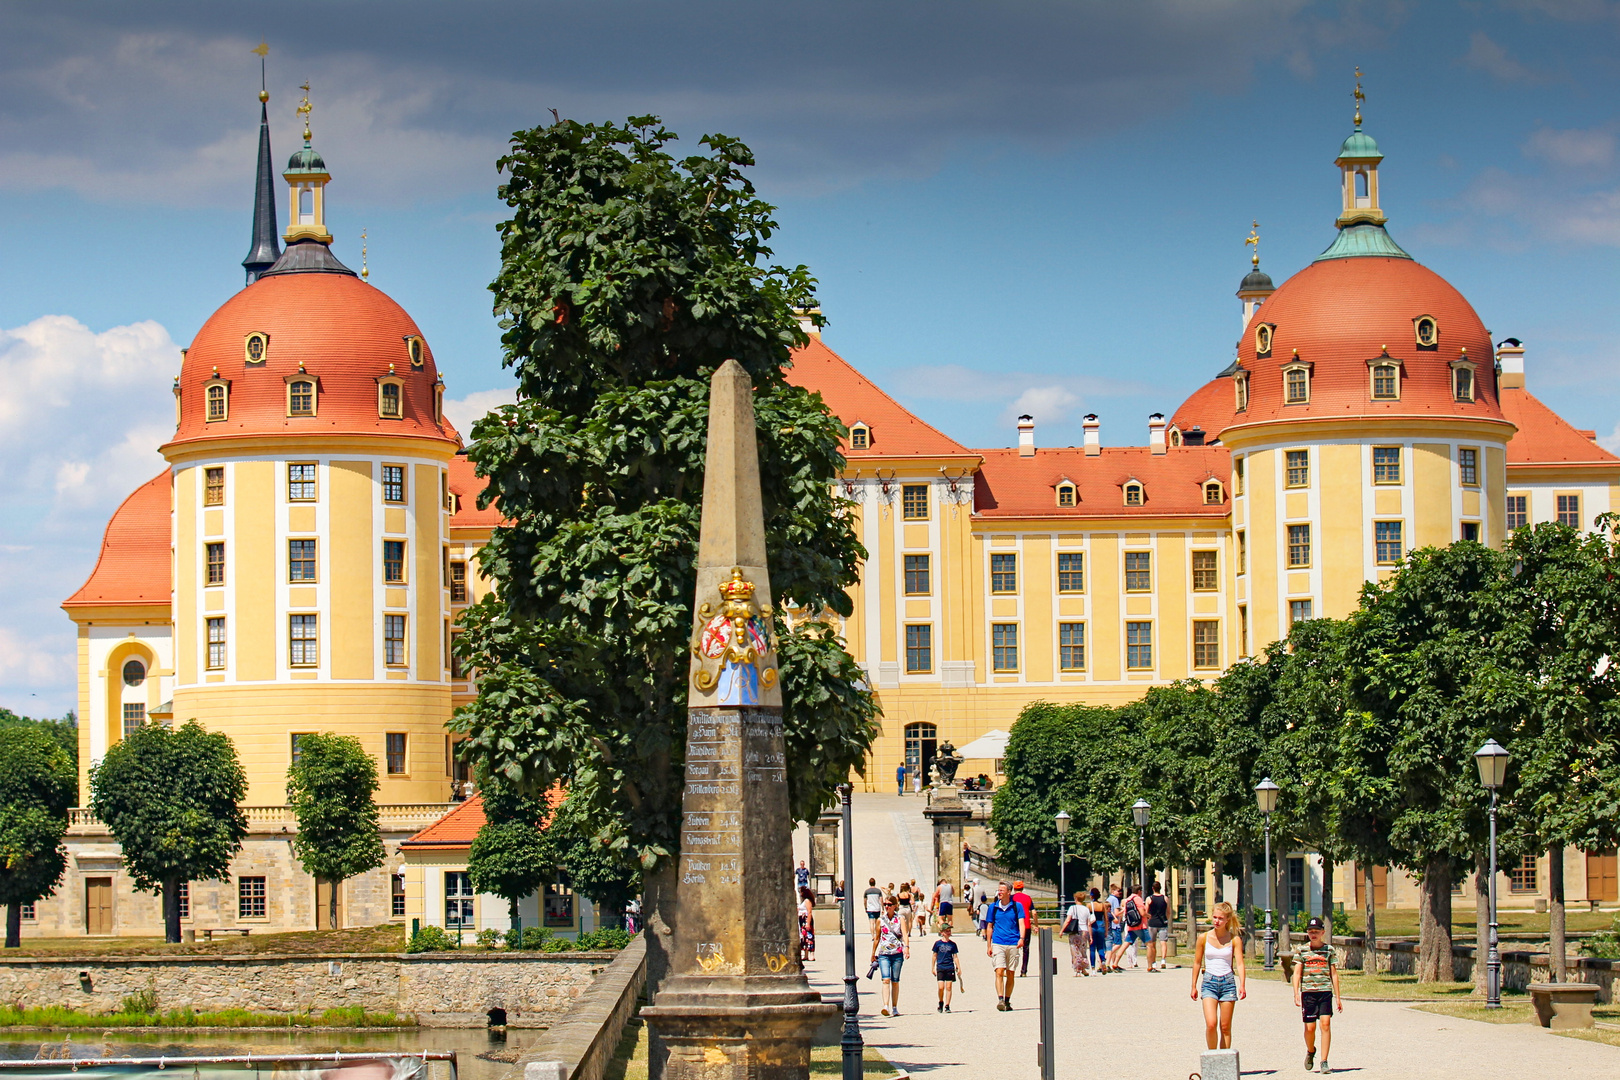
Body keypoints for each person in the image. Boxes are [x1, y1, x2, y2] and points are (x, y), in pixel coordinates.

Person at [1190, 901, 1246, 1050]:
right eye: (1214, 917)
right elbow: (1197, 962)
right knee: (1211, 1023)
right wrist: (1193, 986)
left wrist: (1242, 985)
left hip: (1228, 982)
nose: (1217, 921)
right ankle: (1212, 1059)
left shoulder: (1235, 939)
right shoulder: (1203, 938)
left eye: (1220, 918)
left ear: (1227, 919)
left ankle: (1225, 1062)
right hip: (1209, 981)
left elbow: (1240, 963)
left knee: (1225, 1027)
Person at [1292, 916, 1343, 1074]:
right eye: (1310, 931)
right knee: (1310, 1028)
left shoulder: (1329, 950)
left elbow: (1333, 974)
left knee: (1325, 1024)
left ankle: (1324, 1061)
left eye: (1316, 931)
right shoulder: (1302, 950)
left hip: (1325, 992)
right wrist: (1296, 993)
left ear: (1323, 932)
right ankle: (1311, 1050)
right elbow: (1297, 973)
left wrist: (1338, 997)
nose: (1313, 934)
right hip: (1309, 993)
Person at [983, 881, 1027, 1011]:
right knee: (999, 970)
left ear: (1009, 892)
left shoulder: (1017, 907)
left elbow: (1022, 923)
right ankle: (1000, 999)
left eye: (1002, 890)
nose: (999, 892)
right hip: (998, 942)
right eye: (999, 890)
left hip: (1013, 942)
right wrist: (989, 945)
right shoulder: (993, 907)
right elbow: (989, 926)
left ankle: (1007, 1000)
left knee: (1011, 973)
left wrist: (1022, 938)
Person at [871, 896, 909, 1016]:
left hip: (897, 953)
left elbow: (904, 934)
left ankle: (894, 1007)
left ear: (895, 906)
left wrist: (906, 948)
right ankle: (886, 1006)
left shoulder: (900, 918)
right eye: (885, 904)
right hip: (884, 954)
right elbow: (877, 938)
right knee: (886, 979)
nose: (886, 906)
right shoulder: (880, 920)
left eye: (889, 904)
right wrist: (873, 953)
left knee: (895, 981)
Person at [1061, 890, 1092, 975]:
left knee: (1075, 950)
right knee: (1083, 950)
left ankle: (1078, 970)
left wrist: (1062, 930)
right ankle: (1084, 969)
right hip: (1084, 931)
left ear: (1075, 898)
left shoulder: (1072, 908)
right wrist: (1091, 936)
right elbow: (1088, 923)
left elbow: (1068, 920)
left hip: (1075, 931)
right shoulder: (1086, 909)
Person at [932, 922, 960, 1012]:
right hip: (940, 966)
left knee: (949, 987)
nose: (948, 932)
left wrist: (958, 967)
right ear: (942, 933)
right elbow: (934, 956)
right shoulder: (937, 944)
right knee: (941, 987)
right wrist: (932, 967)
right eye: (947, 931)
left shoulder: (953, 944)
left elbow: (955, 957)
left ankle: (947, 1005)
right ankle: (941, 1002)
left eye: (949, 931)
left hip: (949, 967)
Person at [1010, 879, 1035, 977]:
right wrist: (1036, 925)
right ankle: (1024, 970)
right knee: (1026, 948)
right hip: (1026, 926)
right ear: (1023, 888)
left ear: (1013, 888)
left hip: (1014, 925)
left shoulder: (1011, 898)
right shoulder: (1028, 898)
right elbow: (1034, 912)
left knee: (1012, 947)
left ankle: (1010, 969)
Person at [1146, 880, 1170, 972]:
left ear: (1152, 888)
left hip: (1152, 923)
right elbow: (1168, 911)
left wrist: (1148, 919)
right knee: (1163, 942)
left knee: (1152, 943)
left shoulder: (1149, 898)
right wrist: (1166, 919)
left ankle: (1154, 961)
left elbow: (1146, 911)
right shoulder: (1165, 898)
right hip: (1162, 922)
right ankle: (1163, 960)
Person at [1088, 888, 1111, 972]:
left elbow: (1087, 918)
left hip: (1093, 926)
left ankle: (1093, 968)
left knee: (1092, 947)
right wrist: (1106, 930)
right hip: (1101, 925)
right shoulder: (1102, 905)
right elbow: (1106, 918)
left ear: (1091, 895)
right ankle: (1103, 961)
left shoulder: (1089, 905)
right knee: (1101, 947)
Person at [798, 886, 817, 961]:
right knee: (804, 937)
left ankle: (811, 954)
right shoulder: (803, 901)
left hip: (806, 920)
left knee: (809, 937)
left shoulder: (807, 901)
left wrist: (808, 923)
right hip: (802, 920)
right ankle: (805, 954)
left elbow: (809, 912)